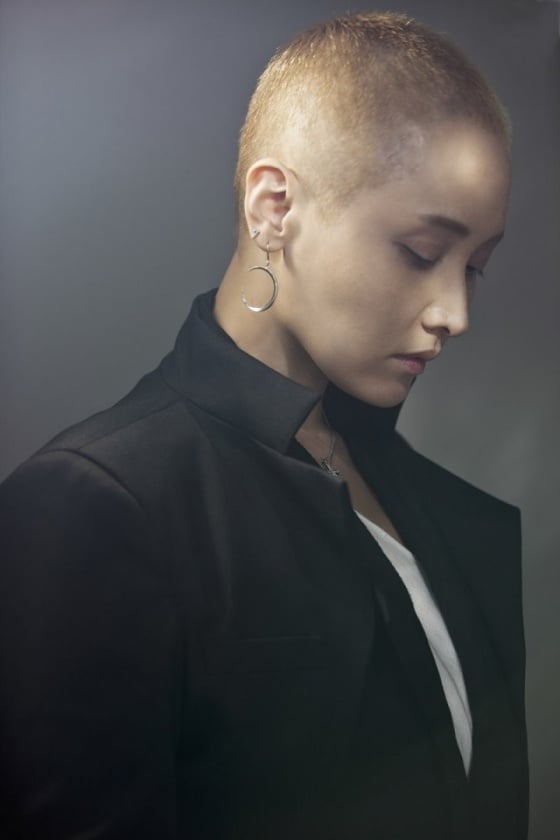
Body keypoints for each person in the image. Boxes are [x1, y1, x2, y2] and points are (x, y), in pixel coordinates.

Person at [0, 11, 528, 840]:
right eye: (424, 252)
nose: (454, 313)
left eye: (477, 268)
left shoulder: (434, 507)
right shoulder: (94, 508)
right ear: (274, 206)